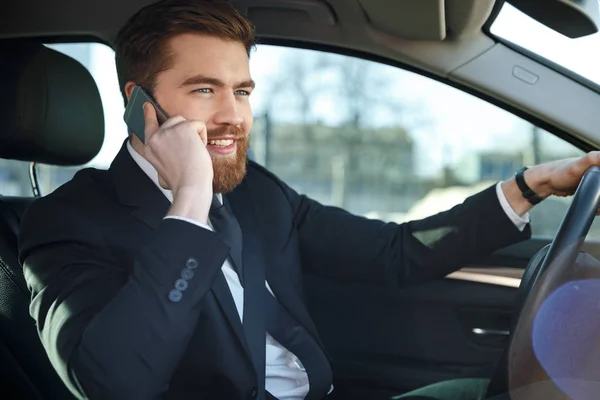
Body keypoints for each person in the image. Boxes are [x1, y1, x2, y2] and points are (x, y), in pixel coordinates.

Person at [17, 0, 600, 399]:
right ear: (140, 104)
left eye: (242, 91)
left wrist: (530, 188)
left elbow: (393, 253)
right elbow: (115, 383)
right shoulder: (66, 224)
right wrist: (189, 202)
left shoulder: (254, 192)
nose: (233, 116)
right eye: (204, 90)